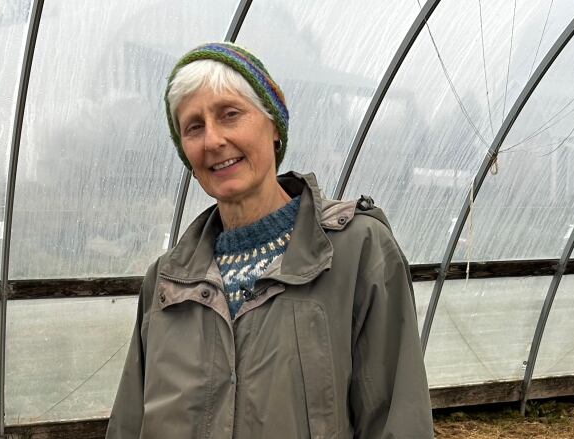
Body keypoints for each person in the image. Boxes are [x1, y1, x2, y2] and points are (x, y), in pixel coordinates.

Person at [106, 42, 433, 438]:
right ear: (187, 155)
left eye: (230, 115)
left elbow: (396, 419)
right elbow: (129, 424)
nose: (212, 140)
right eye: (194, 127)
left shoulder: (356, 250)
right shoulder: (167, 281)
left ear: (273, 126)